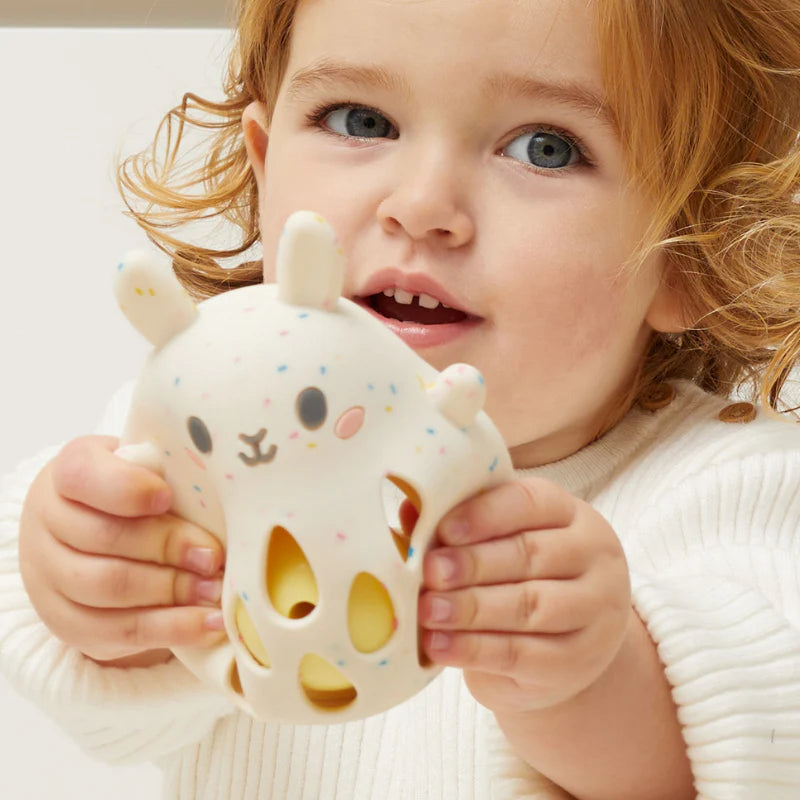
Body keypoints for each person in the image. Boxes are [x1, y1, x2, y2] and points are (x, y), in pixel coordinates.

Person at [2, 0, 800, 797]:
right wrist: (106, 592)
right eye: (361, 121)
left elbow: (761, 750)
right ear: (264, 168)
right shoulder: (210, 437)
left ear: (697, 251)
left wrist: (595, 677)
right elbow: (121, 721)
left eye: (545, 149)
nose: (420, 207)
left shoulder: (731, 488)